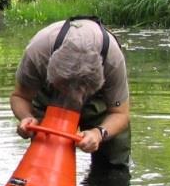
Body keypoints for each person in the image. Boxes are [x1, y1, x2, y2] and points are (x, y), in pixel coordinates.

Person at [10, 16, 130, 168]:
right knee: (46, 161)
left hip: (98, 98)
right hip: (49, 97)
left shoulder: (112, 61)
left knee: (114, 164)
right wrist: (27, 117)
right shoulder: (38, 53)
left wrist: (98, 134)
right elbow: (20, 96)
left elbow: (120, 113)